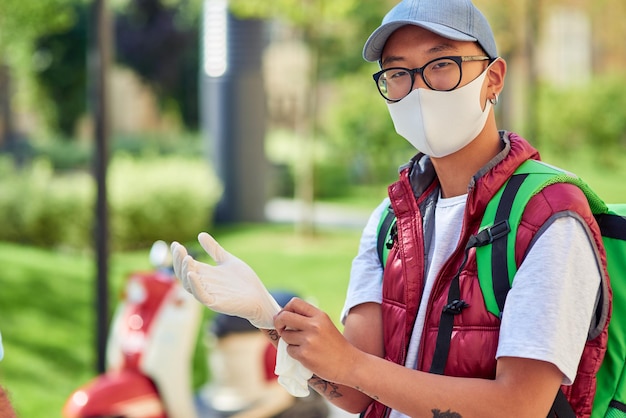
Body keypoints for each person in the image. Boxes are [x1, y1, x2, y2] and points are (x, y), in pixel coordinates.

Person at [172, 0, 610, 417]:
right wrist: (267, 315)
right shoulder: (391, 219)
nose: (418, 89)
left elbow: (519, 408)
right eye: (398, 73)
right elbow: (355, 395)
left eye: (441, 65)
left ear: (494, 78)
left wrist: (352, 364)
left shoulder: (548, 216)